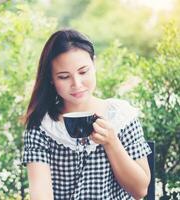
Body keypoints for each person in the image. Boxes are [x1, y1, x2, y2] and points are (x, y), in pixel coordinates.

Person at [22, 29, 151, 200]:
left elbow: (140, 190)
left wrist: (111, 142)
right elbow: (41, 195)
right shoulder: (42, 125)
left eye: (83, 72)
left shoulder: (121, 116)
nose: (77, 84)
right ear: (51, 79)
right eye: (63, 77)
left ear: (94, 64)